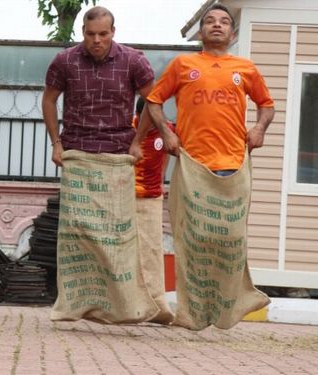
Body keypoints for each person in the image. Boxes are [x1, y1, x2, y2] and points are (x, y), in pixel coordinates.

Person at [134, 3, 274, 330]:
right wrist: (167, 134)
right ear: (201, 32)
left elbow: (266, 105)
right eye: (210, 21)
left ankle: (225, 308)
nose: (216, 25)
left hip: (233, 167)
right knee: (194, 240)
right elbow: (154, 101)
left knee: (228, 239)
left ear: (232, 32)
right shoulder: (184, 64)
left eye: (224, 22)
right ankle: (191, 314)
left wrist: (258, 129)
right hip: (192, 165)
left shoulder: (245, 68)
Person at [43, 6, 162, 325]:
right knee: (77, 233)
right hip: (77, 154)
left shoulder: (133, 60)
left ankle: (123, 305)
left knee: (116, 234)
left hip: (116, 156)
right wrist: (56, 142)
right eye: (90, 34)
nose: (96, 40)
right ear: (82, 32)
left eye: (103, 34)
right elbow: (49, 99)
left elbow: (154, 99)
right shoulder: (65, 60)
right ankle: (77, 304)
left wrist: (137, 141)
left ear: (113, 32)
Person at [131, 97, 175, 325]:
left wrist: (161, 181)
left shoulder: (165, 130)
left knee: (151, 252)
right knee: (128, 252)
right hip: (127, 198)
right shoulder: (127, 128)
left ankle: (157, 306)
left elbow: (167, 153)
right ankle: (129, 304)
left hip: (151, 198)